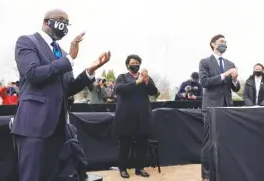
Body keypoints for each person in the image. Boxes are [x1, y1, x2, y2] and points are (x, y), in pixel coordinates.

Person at [11, 9, 111, 181]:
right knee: (32, 176)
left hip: (59, 128)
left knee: (56, 175)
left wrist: (90, 70)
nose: (64, 26)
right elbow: (33, 73)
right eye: (60, 20)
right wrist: (70, 60)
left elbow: (67, 88)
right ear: (46, 21)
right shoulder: (27, 42)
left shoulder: (63, 54)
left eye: (67, 23)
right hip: (34, 125)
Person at [199, 34, 241, 181]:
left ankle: (225, 171)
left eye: (225, 42)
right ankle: (207, 174)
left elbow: (235, 88)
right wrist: (225, 75)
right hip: (211, 107)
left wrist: (235, 80)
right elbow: (204, 82)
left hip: (227, 107)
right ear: (213, 44)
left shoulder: (231, 63)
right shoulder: (205, 62)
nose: (224, 44)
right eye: (221, 42)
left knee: (226, 140)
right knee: (209, 141)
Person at [114, 54, 158, 178]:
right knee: (125, 143)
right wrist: (137, 82)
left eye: (137, 62)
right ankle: (123, 168)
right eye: (133, 62)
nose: (135, 64)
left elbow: (154, 91)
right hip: (126, 116)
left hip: (143, 115)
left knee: (142, 143)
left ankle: (140, 168)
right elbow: (119, 89)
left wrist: (146, 80)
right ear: (128, 64)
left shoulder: (145, 77)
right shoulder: (122, 77)